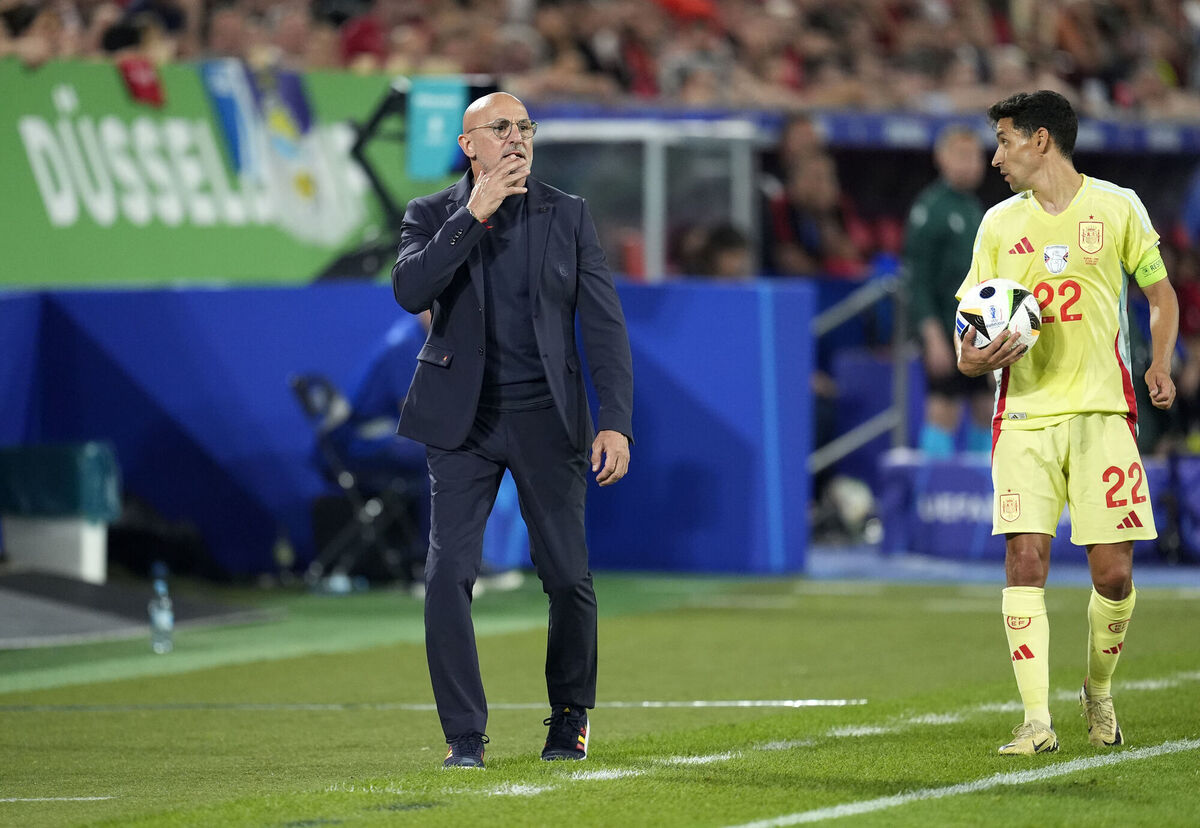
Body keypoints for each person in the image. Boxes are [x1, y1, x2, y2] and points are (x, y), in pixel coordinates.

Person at [391, 92, 634, 769]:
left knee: (566, 577)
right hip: (460, 420)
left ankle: (569, 719)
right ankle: (464, 736)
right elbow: (411, 291)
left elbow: (605, 326)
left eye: (525, 127)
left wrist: (614, 421)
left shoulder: (569, 214)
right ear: (470, 145)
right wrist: (474, 213)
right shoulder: (431, 214)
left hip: (546, 418)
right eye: (501, 128)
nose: (518, 138)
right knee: (447, 574)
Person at [956, 90, 1179, 756]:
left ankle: (1099, 690)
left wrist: (1160, 362)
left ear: (1041, 139)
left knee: (1113, 574)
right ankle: (1034, 719)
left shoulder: (1117, 207)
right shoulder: (998, 225)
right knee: (1025, 561)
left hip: (1103, 413)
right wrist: (975, 359)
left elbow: (1160, 295)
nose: (996, 156)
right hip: (1023, 415)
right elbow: (969, 332)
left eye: (1004, 140)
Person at [321, 311, 528, 590]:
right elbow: (416, 411)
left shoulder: (434, 341)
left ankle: (463, 559)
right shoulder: (405, 344)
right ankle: (434, 566)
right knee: (440, 453)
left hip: (387, 438)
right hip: (356, 445)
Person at [904, 124, 992, 456]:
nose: (970, 163)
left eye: (975, 156)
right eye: (961, 155)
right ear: (941, 158)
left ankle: (981, 494)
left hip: (981, 329)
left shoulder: (973, 208)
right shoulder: (931, 210)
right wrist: (932, 337)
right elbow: (918, 279)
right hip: (945, 330)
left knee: (985, 407)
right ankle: (933, 493)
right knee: (944, 408)